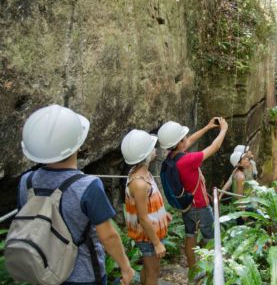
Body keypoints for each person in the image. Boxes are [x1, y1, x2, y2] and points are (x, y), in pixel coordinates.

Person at [17, 104, 134, 285]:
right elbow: (108, 236)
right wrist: (125, 267)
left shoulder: (26, 181)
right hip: (84, 275)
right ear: (77, 145)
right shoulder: (88, 186)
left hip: (43, 272)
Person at [157, 117, 228, 276]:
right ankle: (212, 273)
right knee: (212, 238)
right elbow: (214, 147)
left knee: (190, 235)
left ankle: (192, 272)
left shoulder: (172, 157)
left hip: (187, 206)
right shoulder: (188, 160)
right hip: (200, 207)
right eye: (183, 138)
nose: (186, 140)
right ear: (179, 143)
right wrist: (223, 129)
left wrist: (207, 127)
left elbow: (188, 141)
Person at [121, 130, 172, 285]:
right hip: (148, 237)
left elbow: (149, 204)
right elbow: (143, 218)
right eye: (152, 147)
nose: (155, 149)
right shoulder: (139, 183)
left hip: (150, 233)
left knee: (148, 269)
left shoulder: (142, 173)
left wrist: (163, 214)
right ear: (145, 155)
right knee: (153, 273)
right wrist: (156, 243)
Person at [220, 148, 257, 225]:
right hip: (244, 203)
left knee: (241, 225)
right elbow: (239, 196)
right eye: (244, 158)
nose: (247, 158)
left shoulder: (252, 164)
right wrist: (243, 212)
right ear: (239, 163)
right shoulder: (240, 176)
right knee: (260, 220)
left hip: (249, 198)